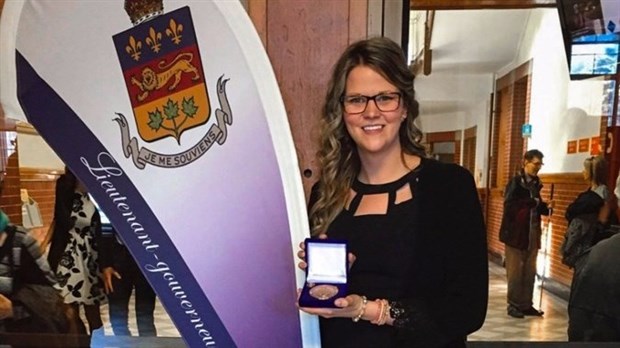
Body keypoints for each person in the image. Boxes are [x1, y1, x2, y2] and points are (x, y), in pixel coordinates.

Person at [296, 37, 488, 348]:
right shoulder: (325, 192)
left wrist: (368, 309)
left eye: (385, 98)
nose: (371, 112)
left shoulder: (449, 187)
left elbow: (467, 310)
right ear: (342, 112)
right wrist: (320, 278)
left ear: (404, 108)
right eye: (356, 100)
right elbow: (318, 304)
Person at [42, 168, 106, 335]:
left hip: (90, 257)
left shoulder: (96, 188)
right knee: (69, 310)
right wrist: (43, 244)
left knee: (93, 311)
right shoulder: (65, 185)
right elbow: (59, 220)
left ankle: (98, 344)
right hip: (68, 254)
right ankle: (79, 342)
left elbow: (100, 229)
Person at [499, 149, 553, 319]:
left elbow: (537, 207)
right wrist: (534, 202)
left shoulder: (537, 184)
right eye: (536, 164)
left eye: (540, 165)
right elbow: (510, 206)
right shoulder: (515, 183)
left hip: (532, 234)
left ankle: (526, 304)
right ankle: (513, 304)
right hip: (516, 234)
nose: (538, 168)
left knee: (530, 270)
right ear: (526, 162)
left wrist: (546, 207)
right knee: (515, 271)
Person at [98, 224, 157, 336]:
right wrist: (105, 264)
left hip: (146, 256)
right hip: (116, 259)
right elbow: (103, 227)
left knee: (145, 318)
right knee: (117, 318)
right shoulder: (111, 206)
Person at [561, 156, 614, 272]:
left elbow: (602, 219)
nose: (582, 171)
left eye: (585, 169)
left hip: (589, 239)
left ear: (593, 172)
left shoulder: (602, 192)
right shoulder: (592, 190)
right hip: (581, 237)